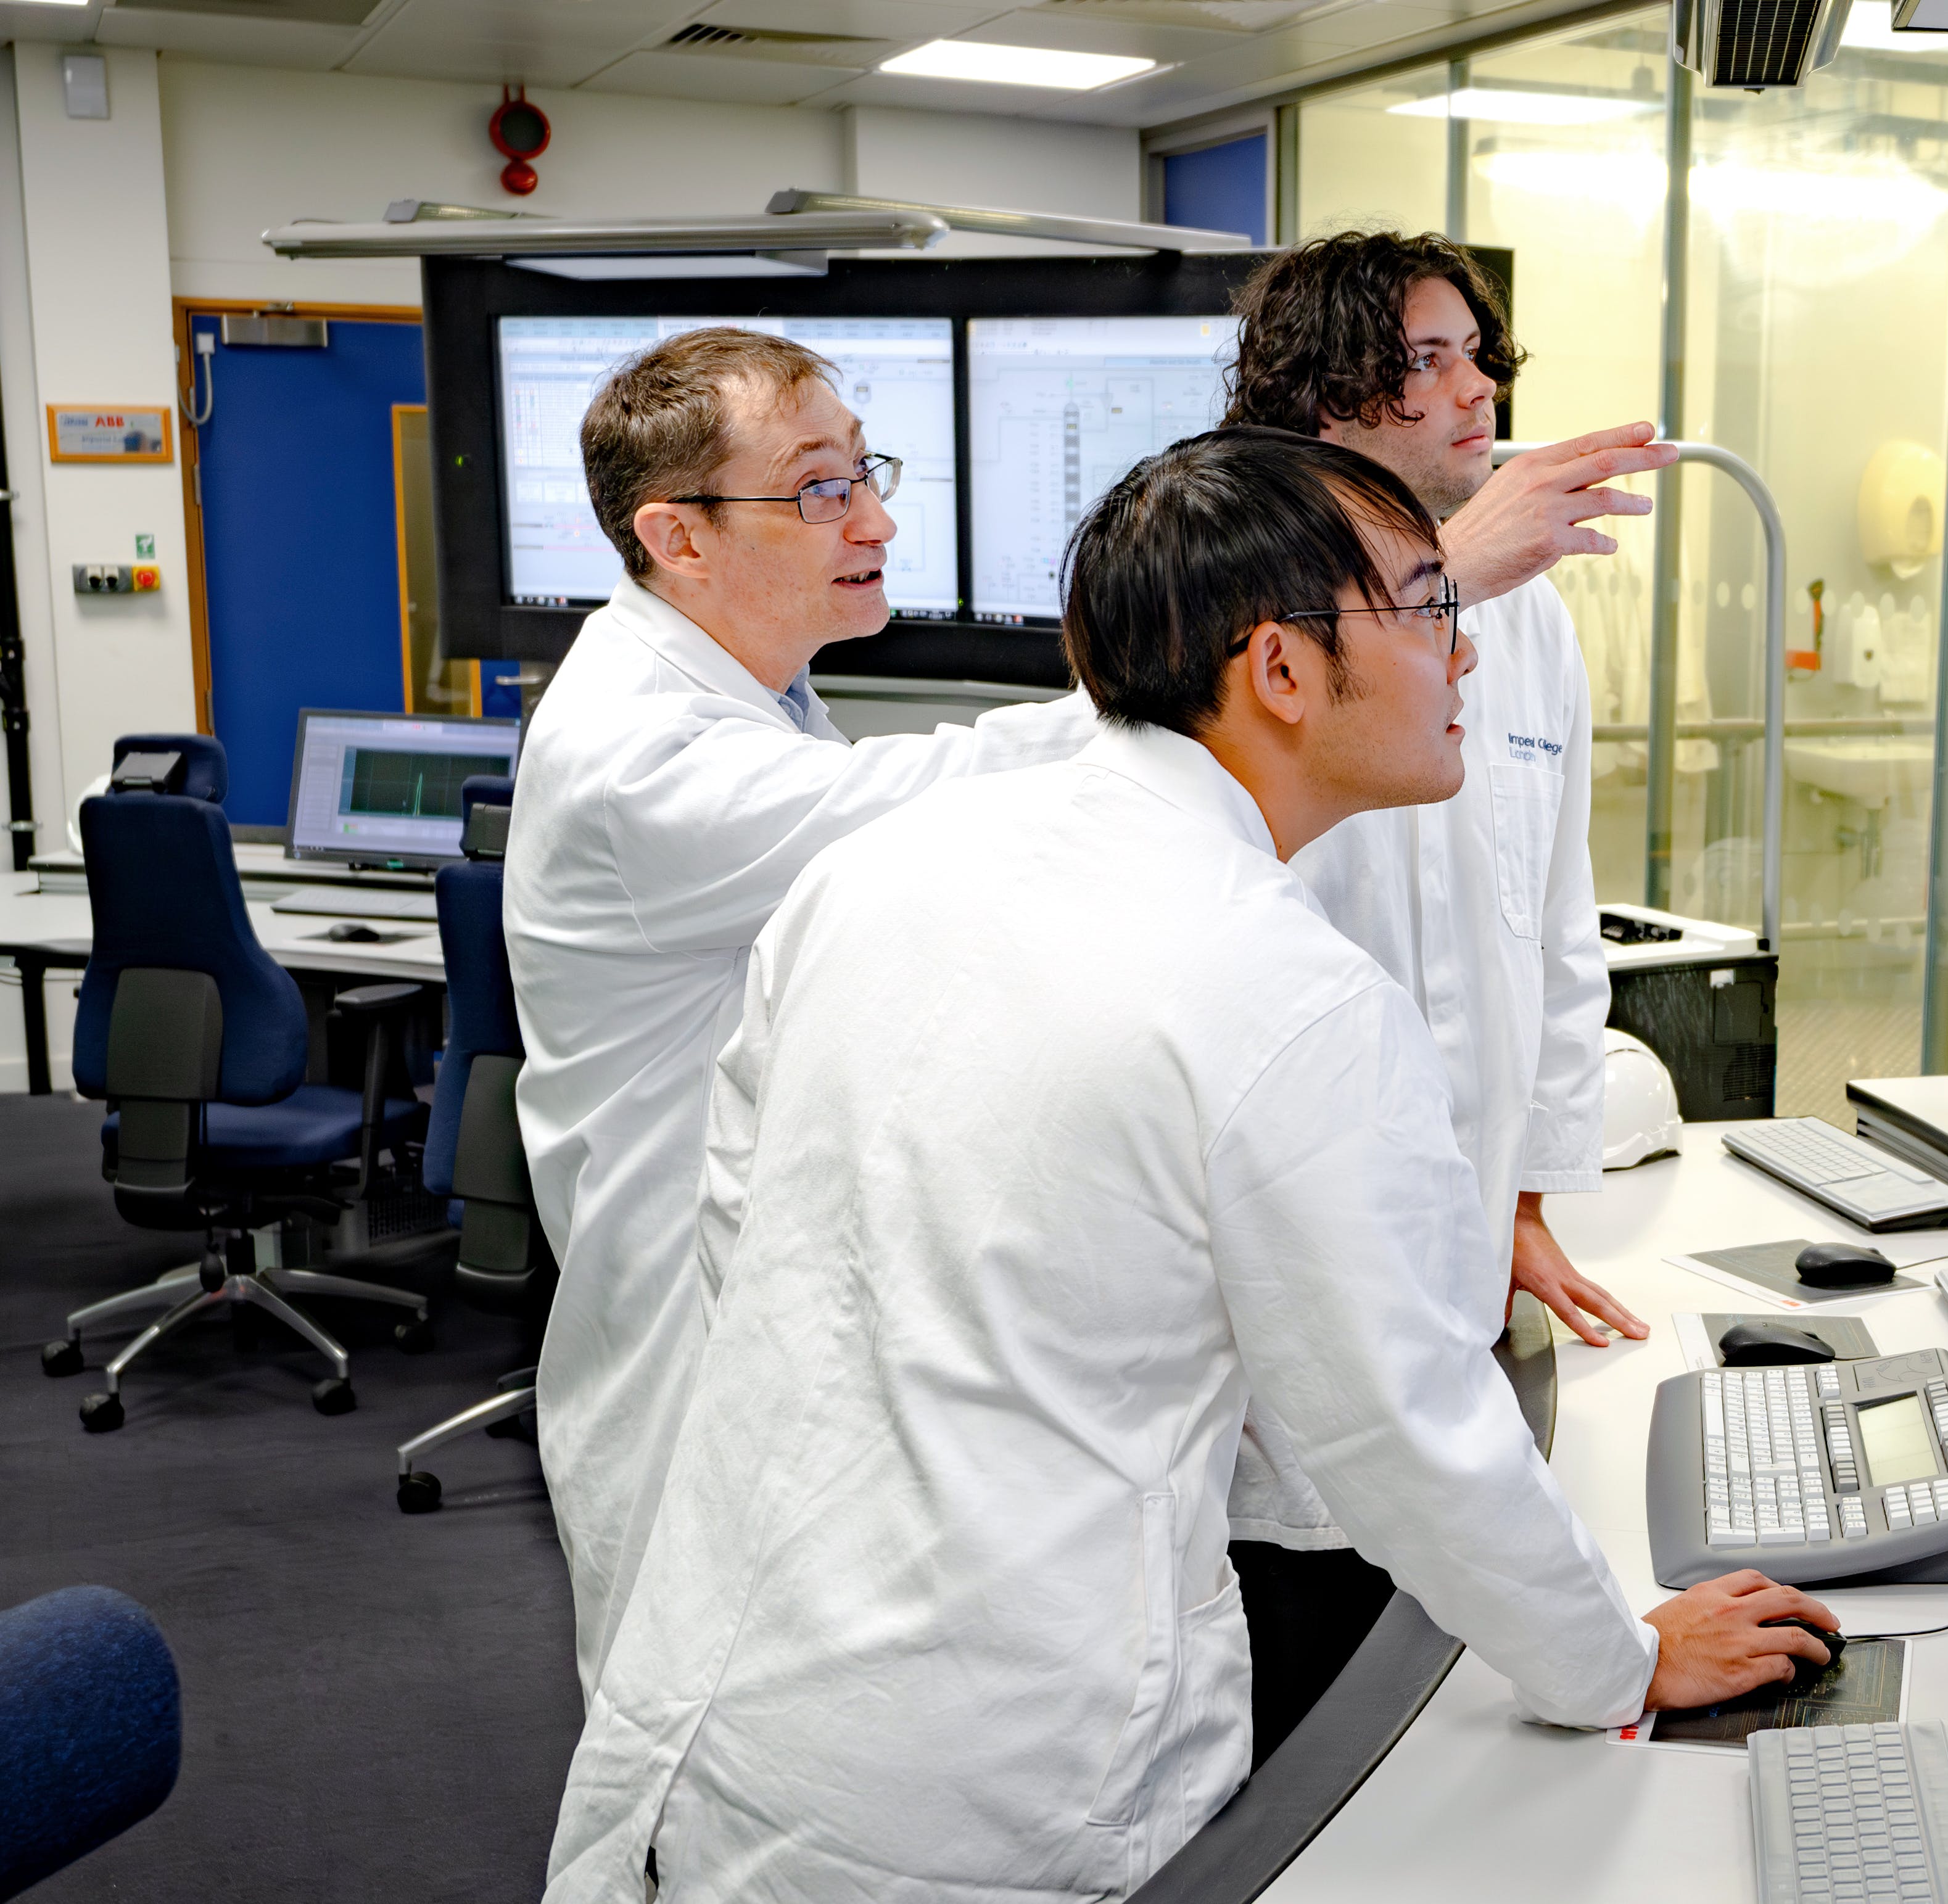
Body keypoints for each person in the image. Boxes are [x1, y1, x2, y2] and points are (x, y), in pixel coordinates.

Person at [543, 427, 1834, 1902]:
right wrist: (1621, 1651)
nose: (1466, 658)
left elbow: (745, 1230)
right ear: (1279, 670)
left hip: (719, 1696)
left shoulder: (882, 867)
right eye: (1430, 607)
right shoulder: (1287, 993)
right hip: (991, 1779)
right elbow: (1406, 1436)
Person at [505, 328, 1097, 1692]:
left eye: (865, 473)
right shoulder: (636, 755)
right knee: (699, 1741)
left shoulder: (751, 689)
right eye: (821, 489)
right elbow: (922, 809)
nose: (877, 519)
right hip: (690, 1333)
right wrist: (1203, 670)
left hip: (764, 1289)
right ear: (679, 536)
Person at [1218, 231, 1675, 1754]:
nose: (1477, 383)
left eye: (1480, 350)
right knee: (1296, 1686)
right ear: (1319, 379)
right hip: (1279, 1263)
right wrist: (1446, 573)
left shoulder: (1531, 616)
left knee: (1413, 1694)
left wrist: (1522, 1201)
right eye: (1428, 355)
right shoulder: (1229, 591)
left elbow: (1547, 927)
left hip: (1443, 1250)